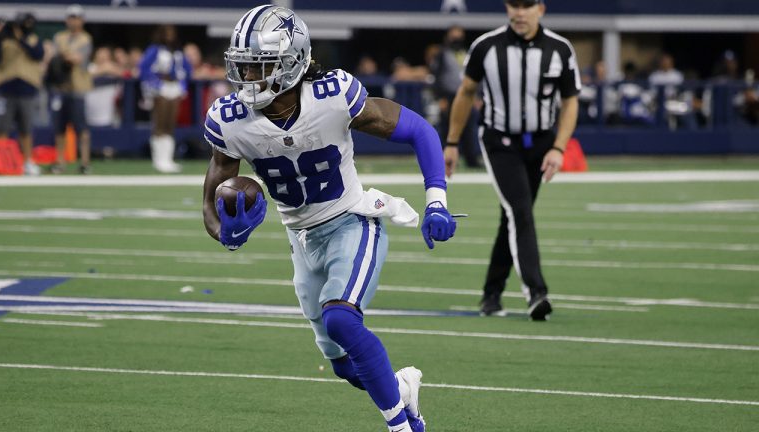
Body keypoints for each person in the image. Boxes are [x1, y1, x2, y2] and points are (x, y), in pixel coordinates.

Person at [201, 5, 458, 431]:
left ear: (290, 63)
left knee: (341, 318)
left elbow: (419, 130)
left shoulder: (332, 96)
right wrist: (223, 231)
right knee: (343, 366)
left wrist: (436, 200)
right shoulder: (231, 122)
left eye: (258, 67)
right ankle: (401, 391)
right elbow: (214, 190)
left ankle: (402, 427)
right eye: (243, 68)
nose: (247, 79)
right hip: (301, 240)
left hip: (351, 222)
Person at [444, 0, 580, 320]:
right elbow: (465, 92)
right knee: (519, 210)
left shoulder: (560, 49)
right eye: (513, 5)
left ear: (541, 9)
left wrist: (559, 148)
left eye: (527, 5)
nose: (520, 12)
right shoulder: (486, 47)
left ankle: (491, 293)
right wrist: (451, 143)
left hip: (542, 142)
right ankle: (536, 293)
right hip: (500, 141)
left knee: (515, 216)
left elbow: (570, 100)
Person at [0, 12, 44, 176]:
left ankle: (27, 161)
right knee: (2, 128)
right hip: (5, 90)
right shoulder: (4, 40)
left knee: (26, 129)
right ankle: (0, 162)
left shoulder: (34, 39)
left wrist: (19, 40)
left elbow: (37, 55)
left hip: (27, 90)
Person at [139, 24, 192, 173]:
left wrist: (182, 85)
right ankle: (158, 160)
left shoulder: (178, 52)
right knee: (160, 123)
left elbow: (187, 69)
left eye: (172, 33)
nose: (170, 35)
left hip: (174, 87)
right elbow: (143, 67)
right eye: (167, 33)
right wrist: (152, 85)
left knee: (170, 124)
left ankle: (168, 159)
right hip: (160, 87)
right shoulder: (155, 49)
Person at [50, 4, 93, 174]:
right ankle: (60, 162)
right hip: (61, 87)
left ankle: (85, 162)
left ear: (81, 20)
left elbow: (76, 58)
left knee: (81, 128)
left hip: (78, 88)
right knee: (60, 128)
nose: (74, 21)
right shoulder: (60, 36)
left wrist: (63, 55)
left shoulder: (85, 38)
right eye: (71, 18)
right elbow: (53, 56)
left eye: (77, 18)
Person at [430, 26, 481, 167]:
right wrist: (440, 97)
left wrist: (476, 95)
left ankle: (471, 160)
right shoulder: (442, 53)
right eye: (454, 35)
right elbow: (437, 76)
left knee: (469, 128)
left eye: (459, 35)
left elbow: (475, 75)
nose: (457, 38)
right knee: (446, 129)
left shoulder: (466, 52)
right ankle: (445, 159)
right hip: (449, 95)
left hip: (466, 96)